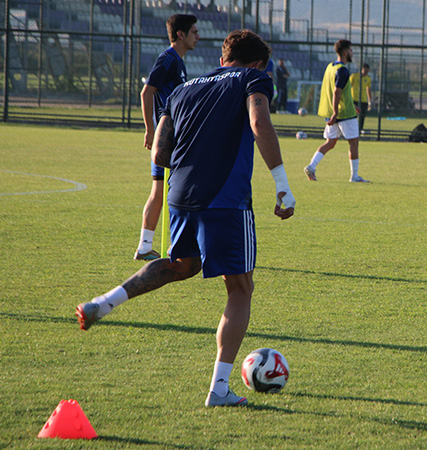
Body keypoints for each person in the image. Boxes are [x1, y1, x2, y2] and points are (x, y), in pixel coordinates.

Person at [76, 30, 296, 408]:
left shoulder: (183, 88)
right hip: (226, 199)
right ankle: (219, 389)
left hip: (179, 195)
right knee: (240, 288)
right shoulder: (253, 78)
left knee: (182, 264)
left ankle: (105, 301)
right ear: (258, 63)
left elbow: (160, 152)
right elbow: (259, 123)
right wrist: (282, 185)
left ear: (224, 56)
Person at [135, 14, 199, 261]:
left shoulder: (178, 62)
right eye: (194, 32)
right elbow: (146, 92)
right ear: (180, 34)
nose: (198, 36)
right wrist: (151, 130)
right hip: (168, 138)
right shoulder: (168, 59)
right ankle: (171, 246)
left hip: (173, 137)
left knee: (161, 191)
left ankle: (145, 246)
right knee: (170, 191)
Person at [303, 39, 368, 183]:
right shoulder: (343, 70)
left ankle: (312, 166)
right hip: (343, 113)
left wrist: (351, 105)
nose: (352, 52)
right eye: (351, 50)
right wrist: (336, 113)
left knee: (330, 142)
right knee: (354, 142)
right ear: (345, 52)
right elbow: (336, 92)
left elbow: (339, 91)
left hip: (332, 112)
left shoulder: (330, 66)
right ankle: (354, 176)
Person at [350, 63, 373, 132]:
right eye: (365, 71)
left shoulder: (368, 78)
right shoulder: (354, 76)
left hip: (363, 100)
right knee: (352, 115)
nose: (366, 73)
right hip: (354, 99)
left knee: (362, 115)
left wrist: (369, 100)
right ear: (361, 69)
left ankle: (360, 129)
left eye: (367, 71)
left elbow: (368, 89)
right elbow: (348, 86)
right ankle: (351, 129)